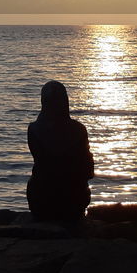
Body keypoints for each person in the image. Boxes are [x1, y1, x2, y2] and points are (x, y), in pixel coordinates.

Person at [26, 80, 95, 223]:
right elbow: (89, 172)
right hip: (74, 203)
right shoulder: (79, 130)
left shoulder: (33, 130)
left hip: (41, 202)